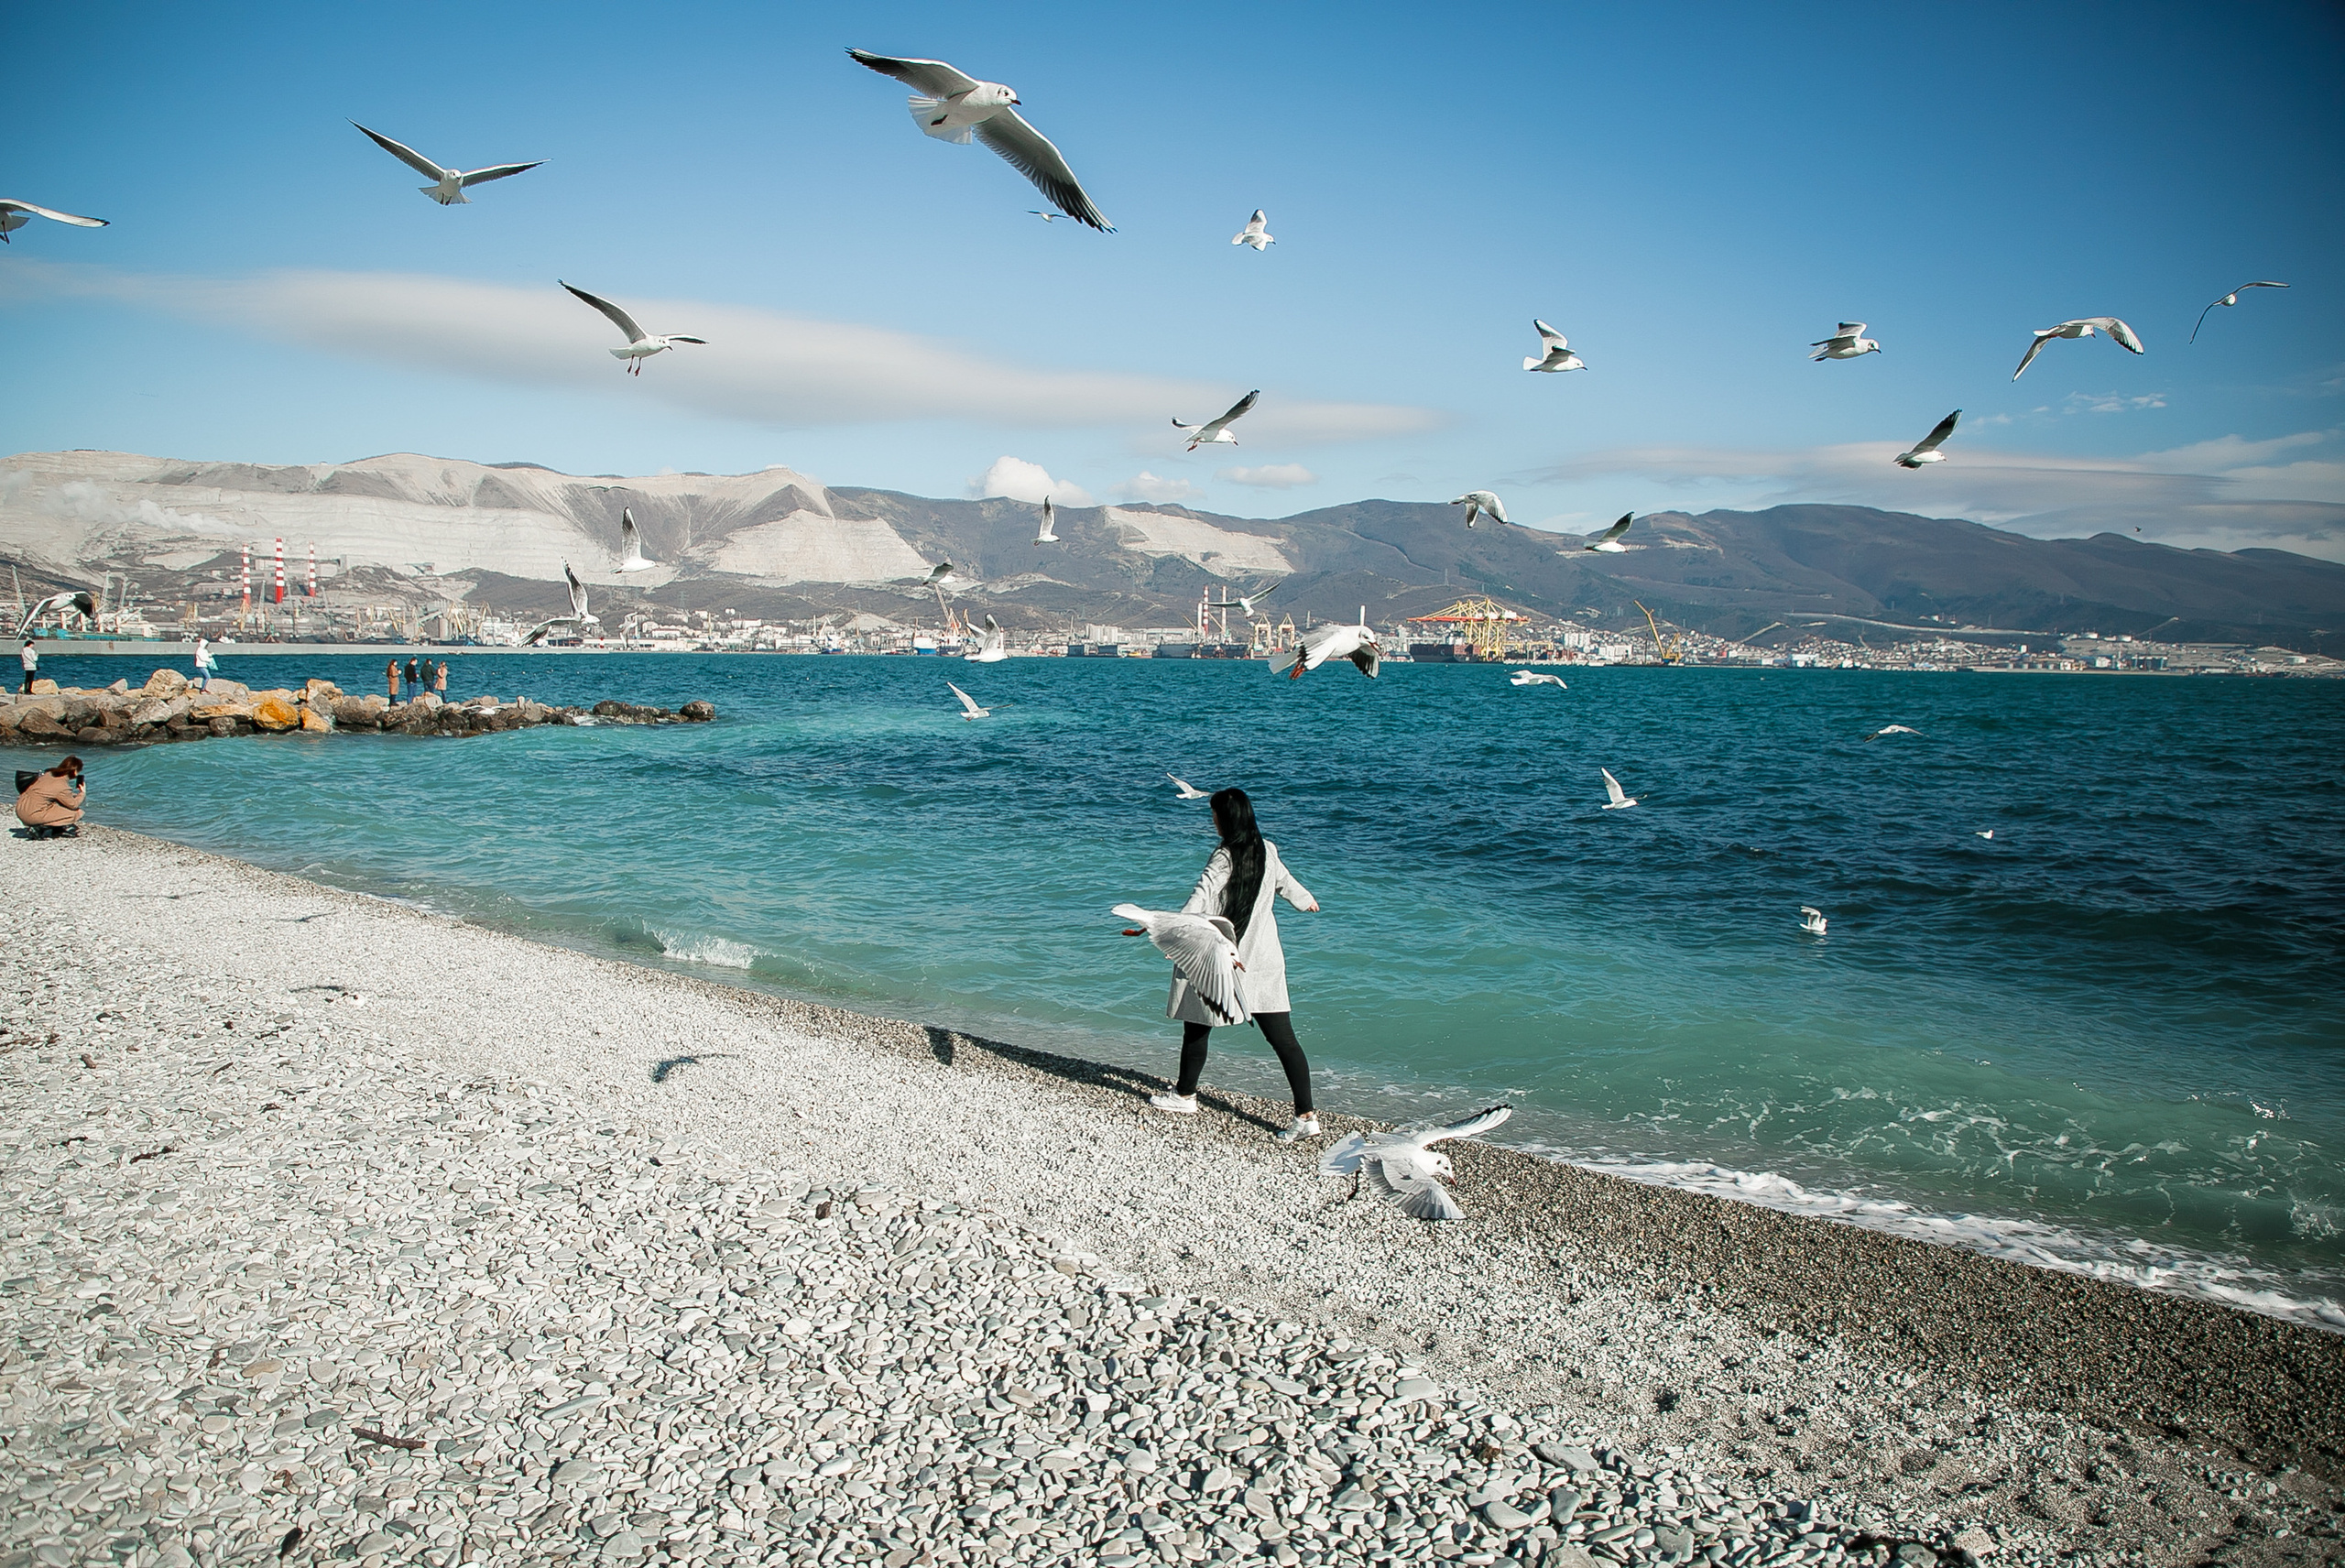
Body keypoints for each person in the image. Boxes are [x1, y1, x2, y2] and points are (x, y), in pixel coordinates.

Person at [1140, 788, 1324, 1142]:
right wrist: (1306, 901)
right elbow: (1286, 883)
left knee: (1197, 1026)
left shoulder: (1223, 857)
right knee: (1284, 1040)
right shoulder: (1267, 849)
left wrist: (1170, 934)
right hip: (1263, 957)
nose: (1211, 820)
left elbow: (1200, 897)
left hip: (1224, 956)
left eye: (1213, 815)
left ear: (1226, 819)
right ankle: (1306, 1116)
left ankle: (1185, 1096)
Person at [16, 756, 86, 838]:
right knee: (76, 813)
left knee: (57, 804)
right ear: (74, 771)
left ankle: (56, 829)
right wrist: (82, 793)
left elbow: (50, 793)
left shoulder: (48, 774)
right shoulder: (62, 786)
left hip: (21, 808)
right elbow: (73, 805)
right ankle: (39, 828)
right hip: (31, 815)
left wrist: (72, 795)